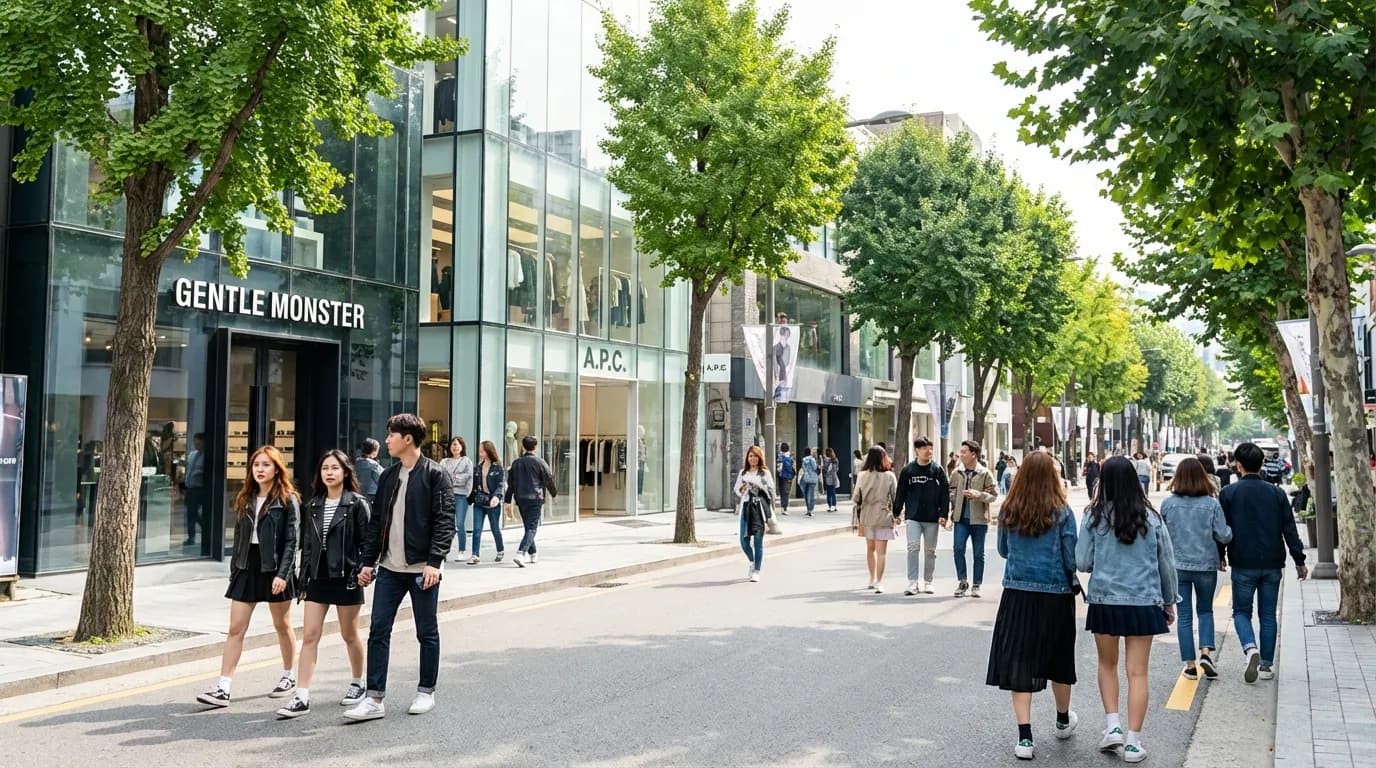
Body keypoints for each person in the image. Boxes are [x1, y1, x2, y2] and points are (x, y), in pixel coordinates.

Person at [345, 414, 455, 722]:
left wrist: (435, 562)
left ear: (408, 438)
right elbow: (377, 522)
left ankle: (425, 691)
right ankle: (374, 698)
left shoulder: (435, 475)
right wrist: (367, 562)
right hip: (390, 569)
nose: (387, 440)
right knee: (378, 629)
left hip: (423, 569)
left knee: (426, 631)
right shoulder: (389, 476)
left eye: (392, 435)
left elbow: (445, 521)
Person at [1076, 456, 1179, 763]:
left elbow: (1082, 562)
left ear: (1102, 481)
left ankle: (1113, 727)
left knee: (1107, 664)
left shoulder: (1093, 516)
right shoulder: (1151, 517)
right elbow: (1166, 564)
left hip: (1105, 601)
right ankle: (1134, 743)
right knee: (1138, 672)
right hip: (1144, 601)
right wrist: (1169, 601)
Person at [986, 452, 1080, 760]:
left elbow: (1002, 550)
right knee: (1059, 660)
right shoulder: (1063, 512)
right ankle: (1063, 719)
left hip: (1017, 594)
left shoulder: (1009, 509)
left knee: (1020, 661)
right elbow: (1071, 558)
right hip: (1056, 594)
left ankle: (1025, 738)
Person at [197, 446, 300, 708]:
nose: (260, 470)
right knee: (235, 628)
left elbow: (292, 540)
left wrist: (284, 574)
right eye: (256, 465)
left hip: (275, 569)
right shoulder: (245, 497)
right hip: (247, 567)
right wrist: (235, 571)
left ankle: (289, 674)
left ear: (277, 468)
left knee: (282, 625)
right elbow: (240, 538)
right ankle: (223, 686)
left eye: (266, 465)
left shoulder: (288, 500)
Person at [276, 450, 373, 719]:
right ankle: (302, 696)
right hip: (317, 578)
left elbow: (368, 543)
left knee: (349, 634)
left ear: (345, 472)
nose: (329, 473)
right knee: (310, 635)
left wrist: (366, 570)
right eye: (324, 469)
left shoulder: (356, 504)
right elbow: (307, 544)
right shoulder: (314, 505)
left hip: (347, 577)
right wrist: (302, 577)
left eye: (334, 468)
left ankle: (358, 682)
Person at [1220, 442, 1308, 683]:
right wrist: (1299, 560)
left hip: (1242, 560)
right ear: (1261, 464)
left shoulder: (1229, 493)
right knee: (1268, 614)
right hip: (1272, 562)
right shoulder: (1276, 493)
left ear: (1238, 464)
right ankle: (1267, 666)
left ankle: (1251, 648)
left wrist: (1220, 554)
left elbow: (1222, 529)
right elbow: (1290, 530)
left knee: (1241, 611)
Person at [1161, 457, 1232, 682]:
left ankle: (1190, 665)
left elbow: (1160, 537)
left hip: (1177, 566)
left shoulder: (1168, 504)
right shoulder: (1211, 504)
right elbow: (1224, 535)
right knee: (1205, 610)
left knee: (1184, 615)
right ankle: (1206, 653)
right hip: (1205, 565)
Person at [894, 436, 949, 596]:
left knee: (930, 551)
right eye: (925, 448)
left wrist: (944, 514)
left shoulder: (937, 470)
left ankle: (928, 582)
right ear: (917, 450)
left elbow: (945, 494)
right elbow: (901, 493)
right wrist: (897, 513)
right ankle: (912, 583)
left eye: (930, 448)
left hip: (932, 517)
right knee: (913, 548)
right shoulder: (908, 470)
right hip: (913, 517)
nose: (928, 451)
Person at [949, 440, 999, 598]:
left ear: (973, 454)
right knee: (958, 549)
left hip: (979, 520)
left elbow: (994, 496)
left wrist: (979, 495)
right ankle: (962, 581)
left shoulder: (985, 473)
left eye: (964, 452)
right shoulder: (957, 473)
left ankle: (977, 584)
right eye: (961, 451)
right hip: (960, 519)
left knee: (978, 553)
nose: (961, 454)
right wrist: (953, 502)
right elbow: (951, 490)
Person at [504, 435, 557, 567]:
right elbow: (548, 479)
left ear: (523, 447)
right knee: (532, 528)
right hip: (535, 499)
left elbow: (510, 484)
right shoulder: (540, 462)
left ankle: (533, 554)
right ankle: (521, 553)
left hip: (520, 499)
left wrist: (507, 500)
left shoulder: (516, 463)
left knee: (528, 527)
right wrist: (554, 494)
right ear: (536, 447)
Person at [852, 446, 898, 593]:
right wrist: (898, 516)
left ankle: (871, 579)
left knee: (870, 549)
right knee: (881, 552)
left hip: (866, 516)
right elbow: (895, 497)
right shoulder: (889, 476)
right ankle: (879, 582)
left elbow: (856, 498)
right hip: (884, 516)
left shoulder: (862, 475)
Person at [735, 445, 775, 582]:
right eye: (750, 456)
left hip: (759, 510)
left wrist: (759, 487)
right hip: (746, 508)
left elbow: (771, 490)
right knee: (744, 541)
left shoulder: (764, 473)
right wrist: (744, 487)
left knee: (758, 541)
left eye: (755, 456)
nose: (753, 458)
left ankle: (757, 571)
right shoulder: (743, 473)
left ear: (760, 458)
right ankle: (752, 562)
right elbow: (736, 490)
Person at [468, 440, 506, 564]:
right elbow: (475, 484)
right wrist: (471, 498)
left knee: (495, 528)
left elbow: (500, 484)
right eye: (480, 451)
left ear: (489, 451)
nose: (480, 454)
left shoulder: (498, 467)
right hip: (479, 502)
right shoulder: (478, 467)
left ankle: (500, 550)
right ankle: (475, 555)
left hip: (493, 503)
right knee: (477, 529)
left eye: (482, 451)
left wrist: (496, 497)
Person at [440, 436, 474, 561]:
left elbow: (469, 478)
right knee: (446, 524)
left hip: (461, 495)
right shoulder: (444, 462)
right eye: (453, 444)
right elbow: (441, 478)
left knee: (459, 524)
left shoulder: (466, 461)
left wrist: (467, 493)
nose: (455, 447)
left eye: (457, 444)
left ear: (462, 447)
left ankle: (461, 550)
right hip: (447, 495)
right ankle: (443, 551)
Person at [182, 432, 207, 546]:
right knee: (191, 513)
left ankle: (202, 530)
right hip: (190, 488)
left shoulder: (206, 457)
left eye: (198, 442)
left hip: (200, 488)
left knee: (193, 513)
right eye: (195, 442)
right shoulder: (192, 455)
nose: (196, 444)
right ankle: (193, 535)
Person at [798, 446, 820, 517]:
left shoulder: (803, 460)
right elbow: (815, 467)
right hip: (813, 478)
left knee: (806, 494)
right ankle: (811, 510)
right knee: (811, 495)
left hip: (806, 478)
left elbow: (803, 468)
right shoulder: (812, 459)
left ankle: (808, 510)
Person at [776, 442, 796, 515]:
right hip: (788, 477)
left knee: (782, 492)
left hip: (781, 476)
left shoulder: (780, 456)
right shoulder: (789, 457)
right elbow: (791, 467)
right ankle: (785, 508)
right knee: (786, 493)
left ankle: (782, 507)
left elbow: (778, 468)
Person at [821, 447, 841, 513]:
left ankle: (831, 506)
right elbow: (836, 469)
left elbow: (824, 469)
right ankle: (833, 506)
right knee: (832, 492)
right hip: (833, 477)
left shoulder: (827, 460)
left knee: (829, 493)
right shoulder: (835, 459)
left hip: (828, 478)